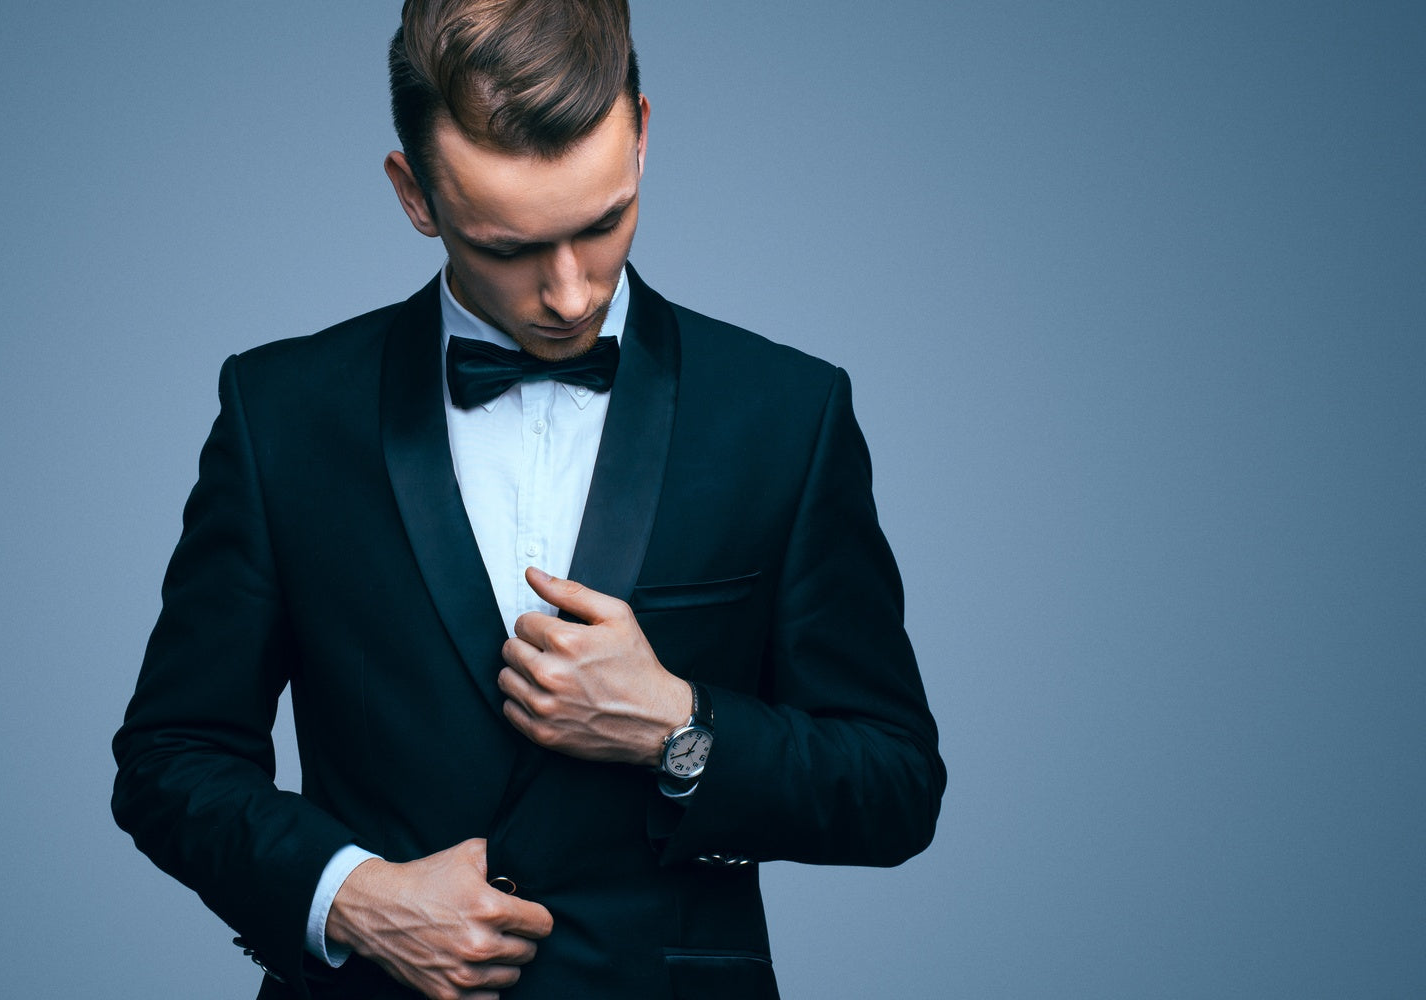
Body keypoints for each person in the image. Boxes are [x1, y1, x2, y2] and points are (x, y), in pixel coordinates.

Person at [111, 2, 945, 997]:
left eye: (603, 224)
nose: (570, 294)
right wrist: (351, 896)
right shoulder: (281, 411)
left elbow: (894, 785)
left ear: (641, 134)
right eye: (507, 247)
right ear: (415, 194)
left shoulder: (787, 413)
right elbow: (172, 757)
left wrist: (679, 730)